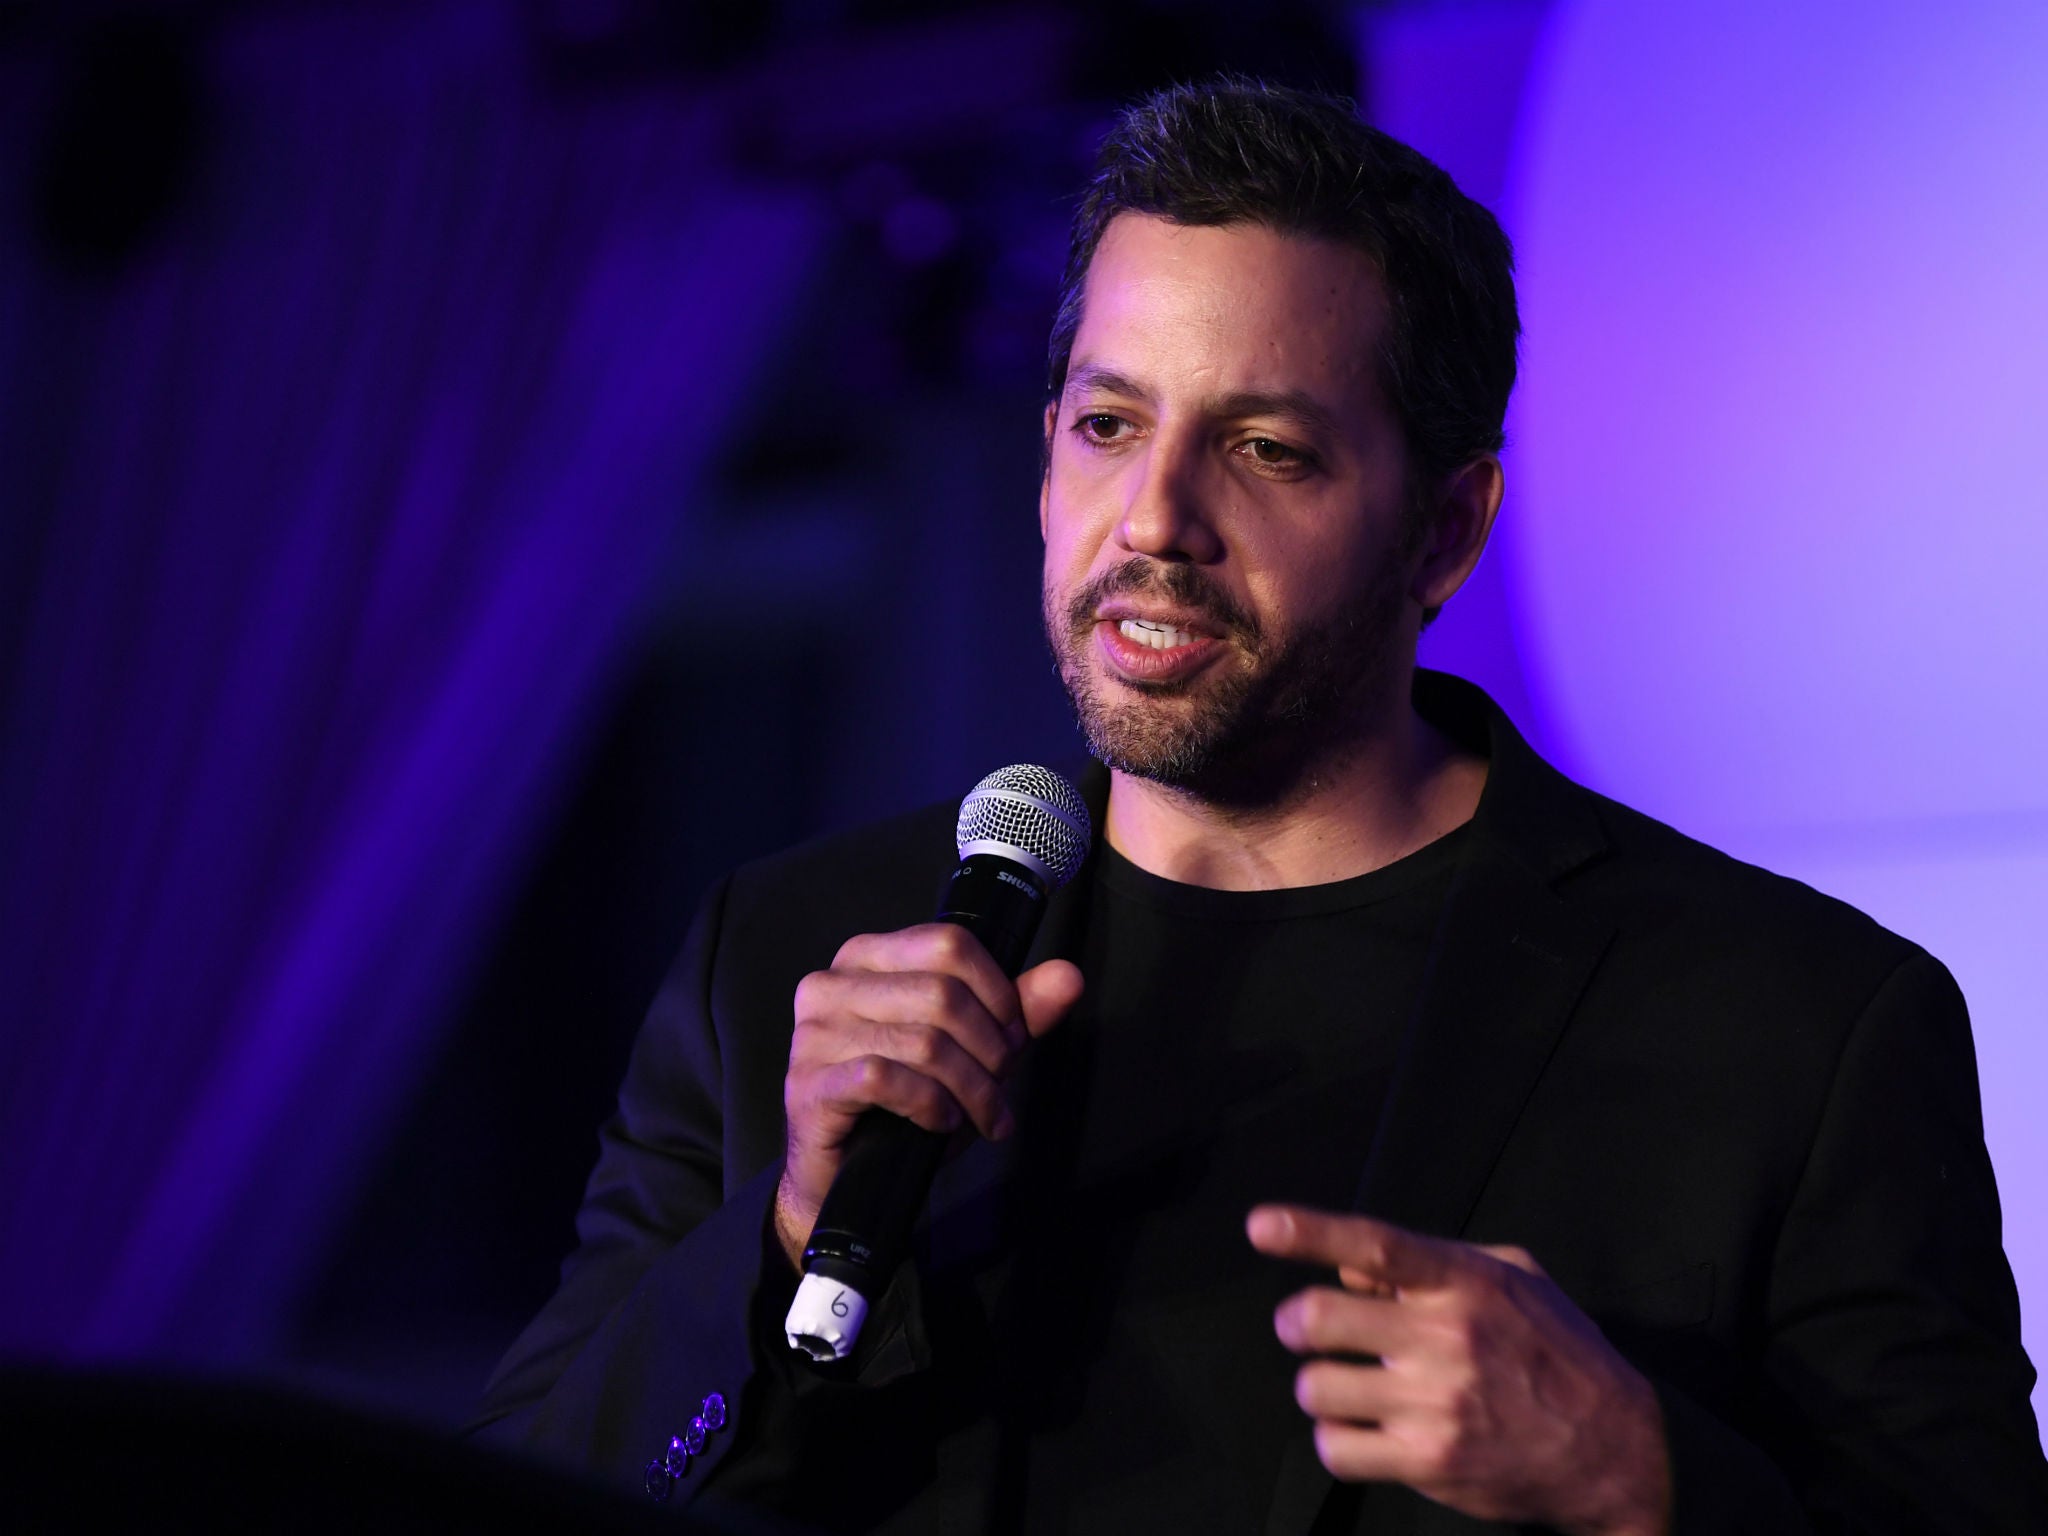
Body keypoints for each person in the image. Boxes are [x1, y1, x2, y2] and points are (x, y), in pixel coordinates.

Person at [471, 79, 2048, 1533]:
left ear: (1445, 528)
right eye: (1108, 426)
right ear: (1045, 465)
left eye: (1267, 449)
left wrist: (1644, 1481)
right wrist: (780, 1233)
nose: (1154, 518)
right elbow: (506, 1498)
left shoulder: (1800, 1024)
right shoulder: (795, 958)